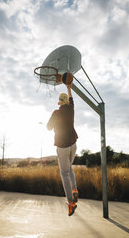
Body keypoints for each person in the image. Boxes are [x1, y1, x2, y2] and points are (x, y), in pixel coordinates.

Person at [47, 83, 78, 216]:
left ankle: (71, 203)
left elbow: (48, 127)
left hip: (62, 146)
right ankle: (74, 190)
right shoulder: (71, 109)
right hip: (73, 144)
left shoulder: (56, 113)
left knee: (64, 173)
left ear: (59, 102)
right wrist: (69, 88)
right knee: (69, 168)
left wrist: (54, 124)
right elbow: (72, 99)